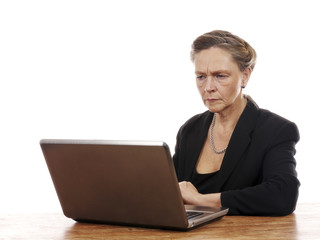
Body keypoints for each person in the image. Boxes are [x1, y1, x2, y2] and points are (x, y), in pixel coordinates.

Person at [173, 30, 300, 216]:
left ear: (245, 76)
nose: (208, 87)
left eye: (220, 76)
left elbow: (283, 195)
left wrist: (201, 200)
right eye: (201, 76)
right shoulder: (190, 130)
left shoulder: (276, 130)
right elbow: (169, 190)